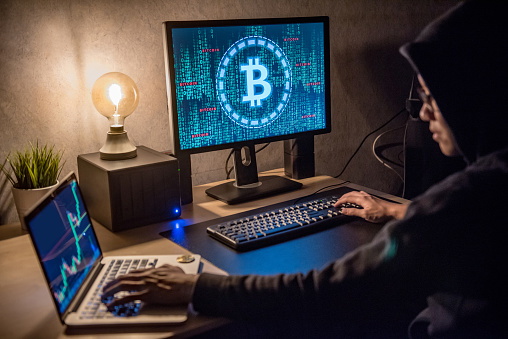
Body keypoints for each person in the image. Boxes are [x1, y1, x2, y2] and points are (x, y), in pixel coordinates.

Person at [102, 1, 508, 337]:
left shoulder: (469, 198)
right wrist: (401, 211)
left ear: (471, 94)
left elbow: (324, 292)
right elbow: (459, 226)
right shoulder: (487, 189)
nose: (421, 111)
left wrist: (197, 287)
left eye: (432, 95)